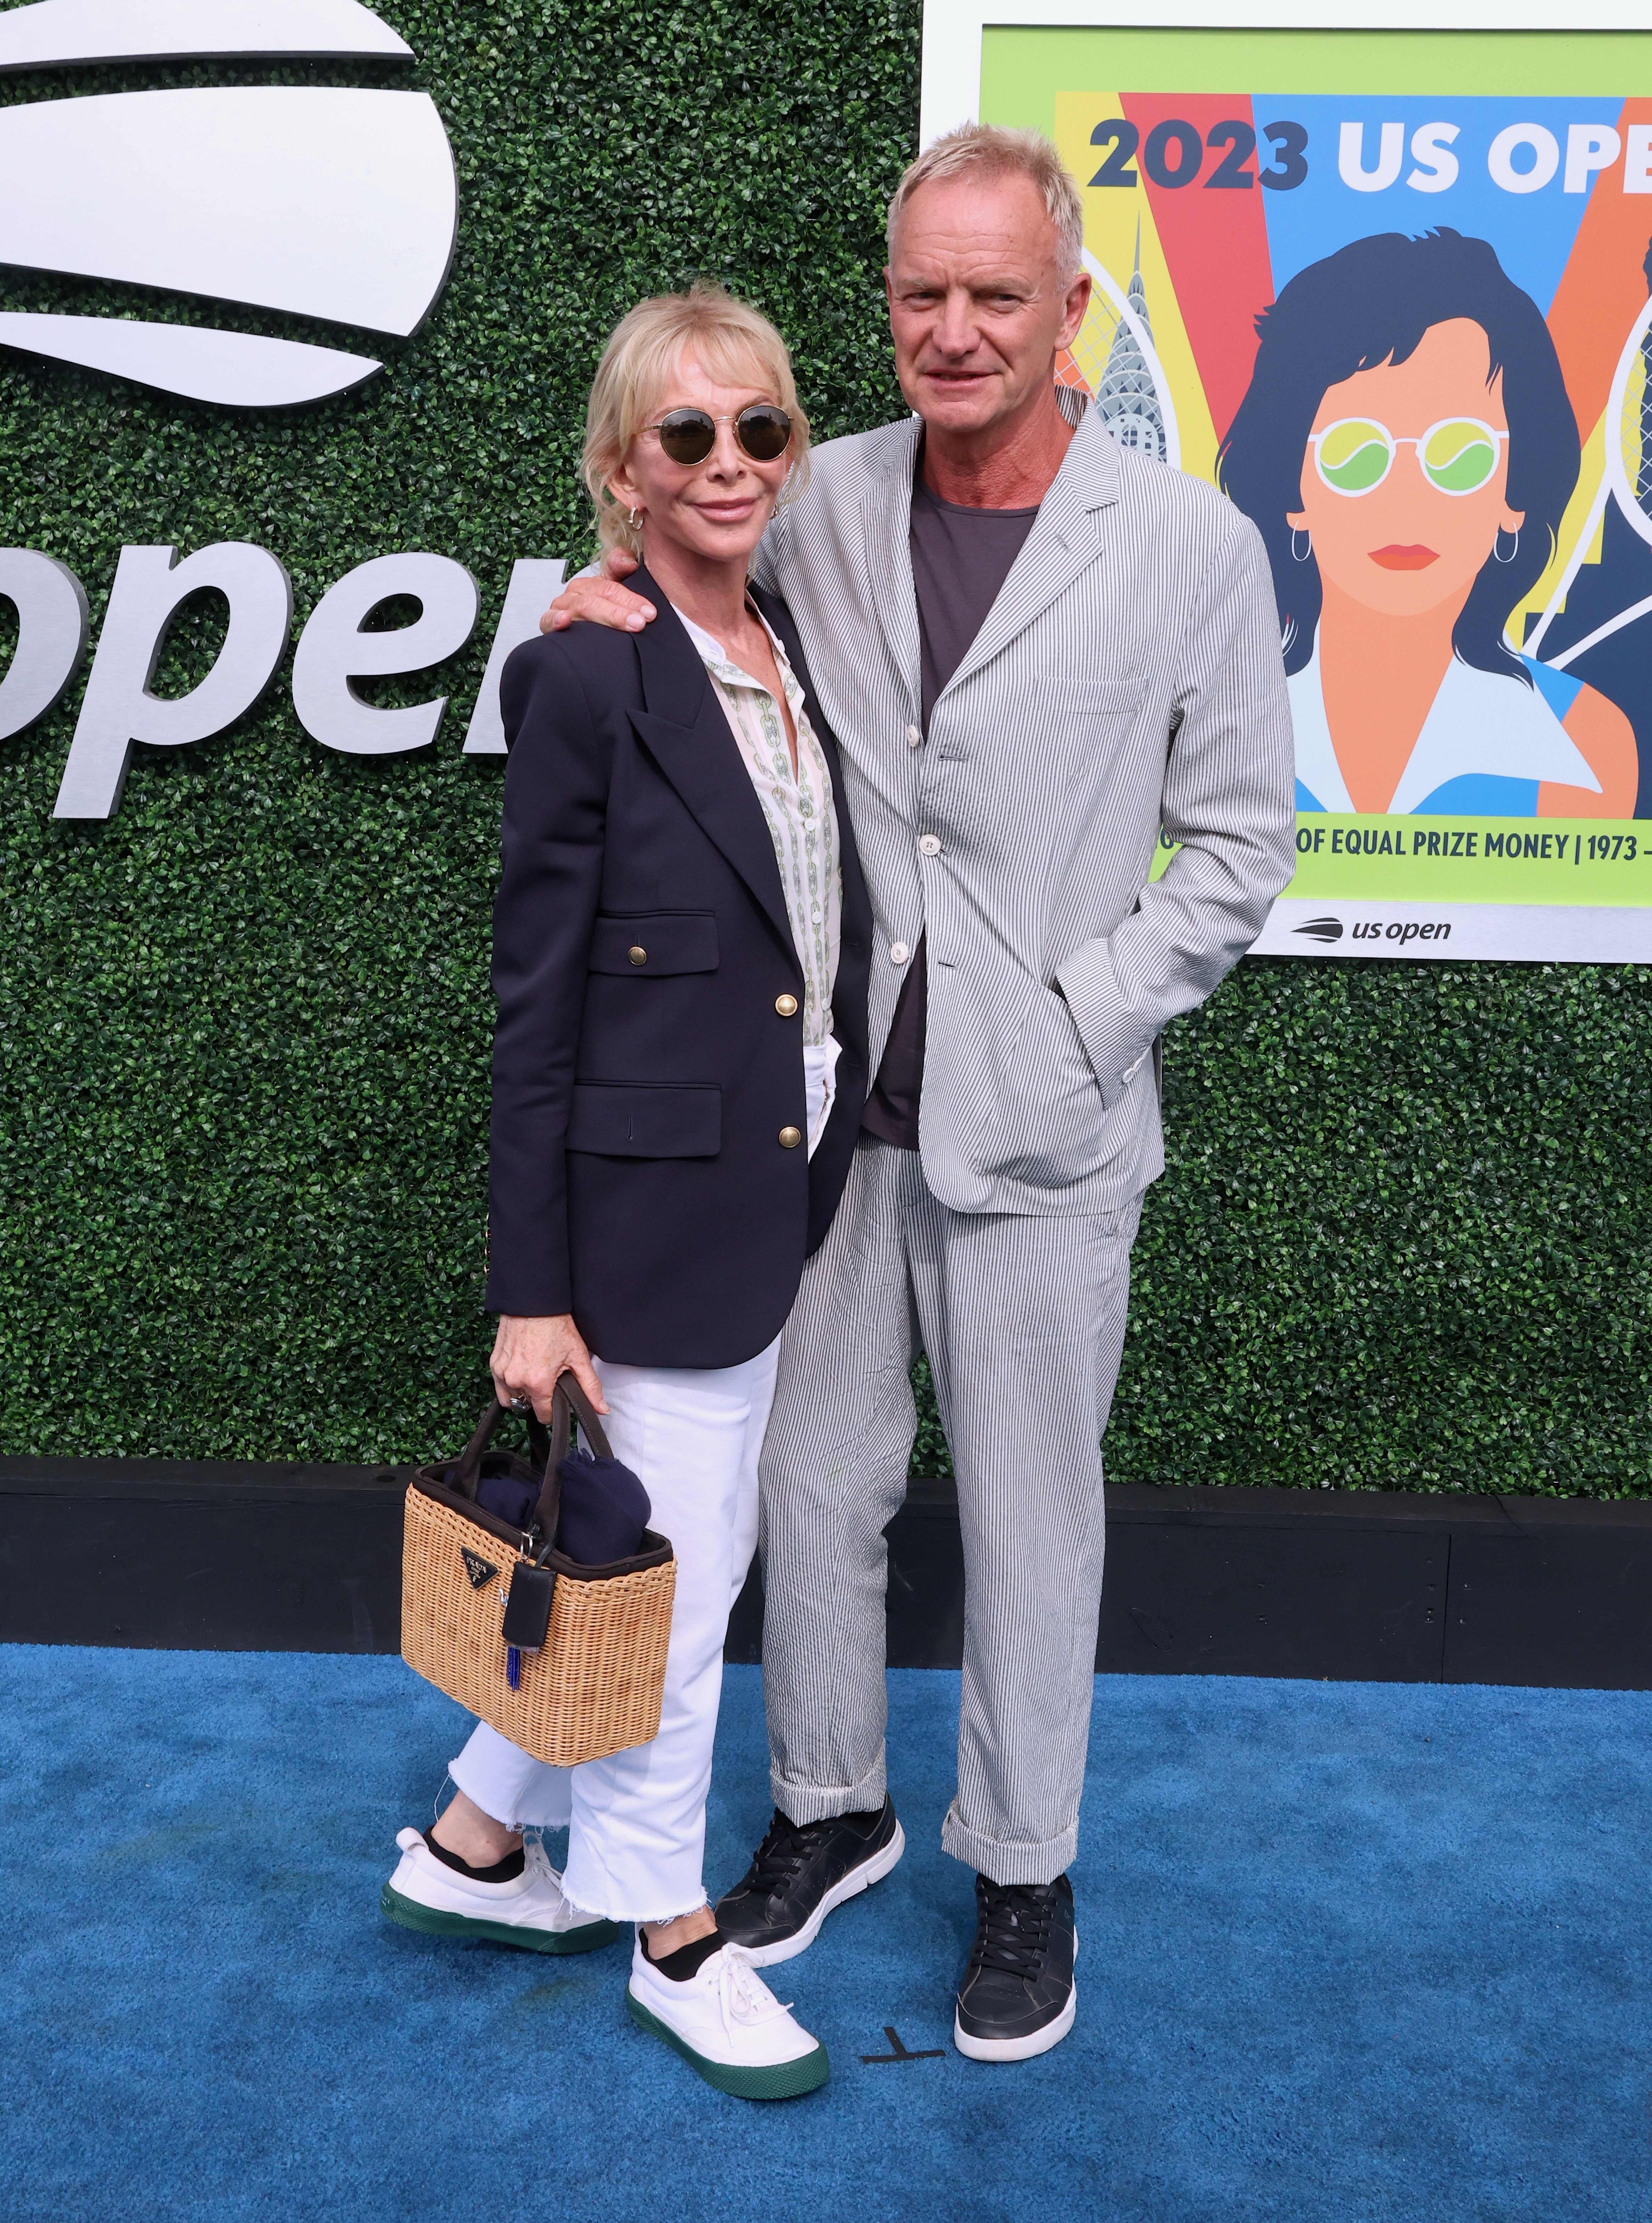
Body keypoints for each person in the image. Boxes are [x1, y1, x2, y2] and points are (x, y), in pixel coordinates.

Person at [543, 123, 1295, 2062]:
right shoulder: (812, 495)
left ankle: (1024, 1867)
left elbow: (1233, 849)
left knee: (1035, 1516)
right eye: (919, 294)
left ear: (1068, 313)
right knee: (809, 1482)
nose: (952, 330)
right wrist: (588, 594)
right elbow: (682, 572)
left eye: (993, 295)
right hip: (822, 1120)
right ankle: (830, 1803)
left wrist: (1077, 1016)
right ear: (886, 308)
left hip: (1042, 1124)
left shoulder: (1188, 546)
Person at [382, 279, 872, 2101]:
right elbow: (540, 997)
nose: (731, 460)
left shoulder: (789, 641)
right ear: (621, 469)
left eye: (760, 427)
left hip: (776, 1167)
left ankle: (474, 1839)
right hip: (648, 1205)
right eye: (689, 434)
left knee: (633, 1556)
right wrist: (533, 1288)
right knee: (675, 1569)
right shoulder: (584, 663)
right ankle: (669, 1930)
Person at [1219, 227, 1637, 817]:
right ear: (1293, 491)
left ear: (1514, 498)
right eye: (1356, 454)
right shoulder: (1211, 722)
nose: (1406, 500)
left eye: (1460, 455)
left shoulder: (1586, 746)